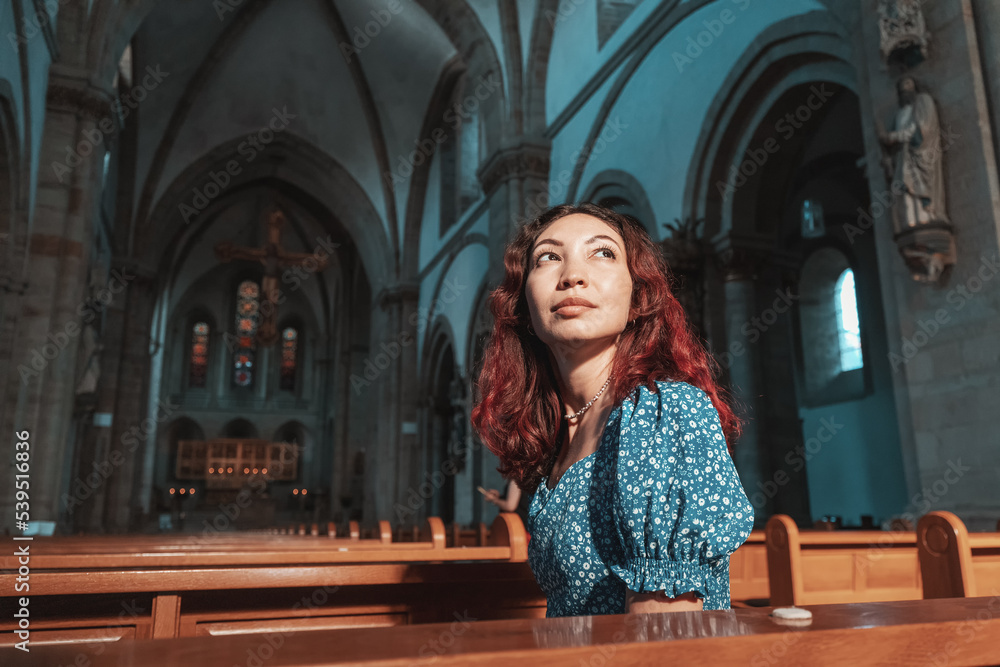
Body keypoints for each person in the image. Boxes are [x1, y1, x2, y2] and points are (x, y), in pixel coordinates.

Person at [471, 203, 753, 617]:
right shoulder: (561, 430)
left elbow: (663, 648)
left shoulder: (663, 412)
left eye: (602, 253)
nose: (572, 275)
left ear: (638, 296)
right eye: (548, 257)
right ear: (523, 305)